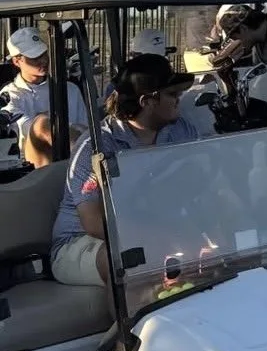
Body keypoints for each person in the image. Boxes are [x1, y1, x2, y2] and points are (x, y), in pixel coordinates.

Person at [50, 54, 198, 288]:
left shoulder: (180, 130)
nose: (179, 100)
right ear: (147, 101)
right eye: (172, 94)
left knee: (211, 255)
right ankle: (137, 326)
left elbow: (201, 180)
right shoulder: (96, 146)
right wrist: (159, 238)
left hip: (153, 231)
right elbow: (93, 222)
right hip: (82, 242)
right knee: (130, 260)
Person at [1, 28, 88, 169]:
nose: (43, 60)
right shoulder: (9, 95)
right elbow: (32, 129)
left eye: (44, 54)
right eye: (35, 57)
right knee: (41, 124)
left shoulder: (70, 89)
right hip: (33, 168)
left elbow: (85, 129)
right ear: (17, 61)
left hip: (71, 160)